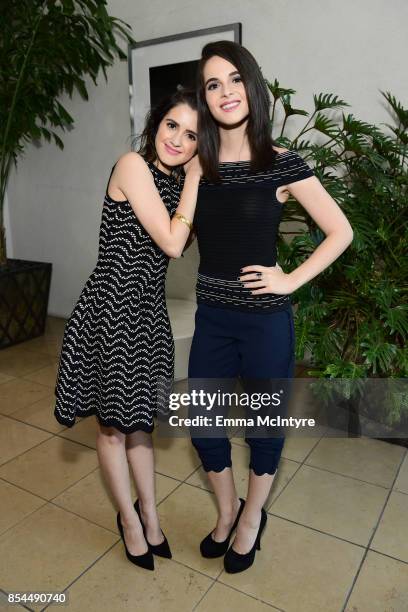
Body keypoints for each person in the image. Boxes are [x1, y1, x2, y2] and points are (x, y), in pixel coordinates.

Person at [188, 41, 354, 573]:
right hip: (212, 321)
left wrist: (291, 280)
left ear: (252, 86)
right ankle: (226, 510)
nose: (225, 92)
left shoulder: (282, 163)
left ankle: (253, 518)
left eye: (234, 79)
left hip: (264, 325)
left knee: (264, 427)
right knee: (203, 426)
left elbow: (340, 230)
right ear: (205, 98)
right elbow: (172, 234)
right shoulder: (198, 164)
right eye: (213, 84)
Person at [54, 87, 202, 571]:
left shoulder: (178, 185)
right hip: (112, 313)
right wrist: (199, 178)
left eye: (193, 136)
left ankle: (150, 515)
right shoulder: (132, 166)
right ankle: (130, 521)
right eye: (172, 125)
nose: (178, 140)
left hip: (148, 316)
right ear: (156, 123)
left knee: (140, 426)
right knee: (114, 427)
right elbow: (172, 243)